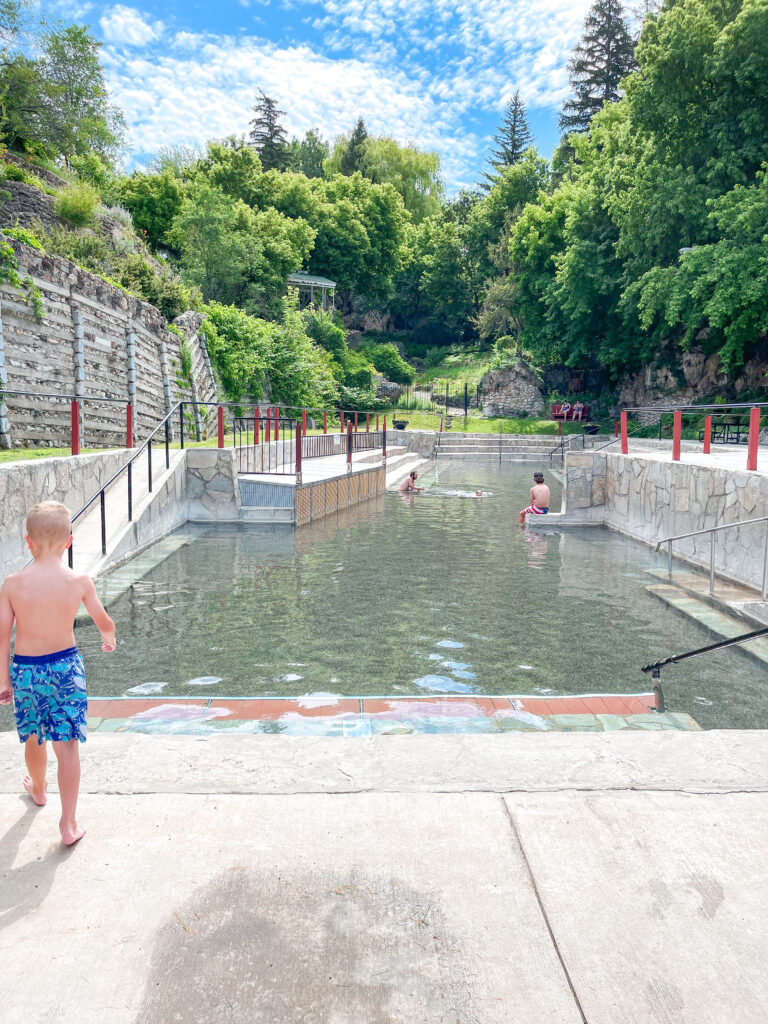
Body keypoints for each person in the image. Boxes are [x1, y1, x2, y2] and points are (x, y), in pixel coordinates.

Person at [0, 501, 116, 846]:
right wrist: (108, 638)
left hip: (26, 671)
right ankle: (68, 824)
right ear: (69, 541)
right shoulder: (79, 581)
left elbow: (2, 636)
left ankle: (38, 789)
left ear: (28, 541)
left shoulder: (12, 584)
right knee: (67, 747)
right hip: (65, 668)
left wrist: (4, 679)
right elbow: (104, 621)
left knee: (34, 735)